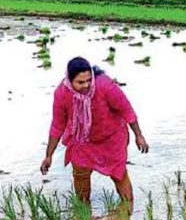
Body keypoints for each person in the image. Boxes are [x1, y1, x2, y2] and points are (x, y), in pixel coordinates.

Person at [41, 57, 149, 206]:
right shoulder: (62, 93)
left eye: (89, 80)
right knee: (80, 175)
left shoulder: (105, 85)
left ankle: (127, 213)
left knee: (119, 175)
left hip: (111, 138)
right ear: (69, 80)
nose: (86, 85)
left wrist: (139, 135)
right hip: (82, 140)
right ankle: (84, 215)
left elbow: (126, 110)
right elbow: (58, 125)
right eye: (80, 82)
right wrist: (49, 155)